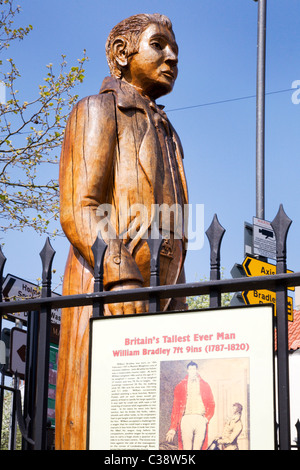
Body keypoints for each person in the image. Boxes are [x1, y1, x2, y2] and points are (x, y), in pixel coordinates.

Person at [55, 14, 189, 450]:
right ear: (121, 53)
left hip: (161, 304)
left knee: (151, 435)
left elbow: (176, 229)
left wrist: (180, 305)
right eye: (158, 45)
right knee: (99, 428)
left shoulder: (170, 136)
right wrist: (124, 282)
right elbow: (81, 208)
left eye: (174, 49)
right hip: (108, 295)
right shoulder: (96, 111)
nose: (171, 56)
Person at [166, 362, 215, 450]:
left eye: (194, 369)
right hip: (186, 419)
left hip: (200, 419)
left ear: (197, 370)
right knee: (186, 448)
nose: (192, 371)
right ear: (187, 370)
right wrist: (173, 428)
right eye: (190, 369)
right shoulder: (180, 386)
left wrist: (206, 419)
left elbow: (211, 404)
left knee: (198, 448)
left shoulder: (205, 385)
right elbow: (176, 408)